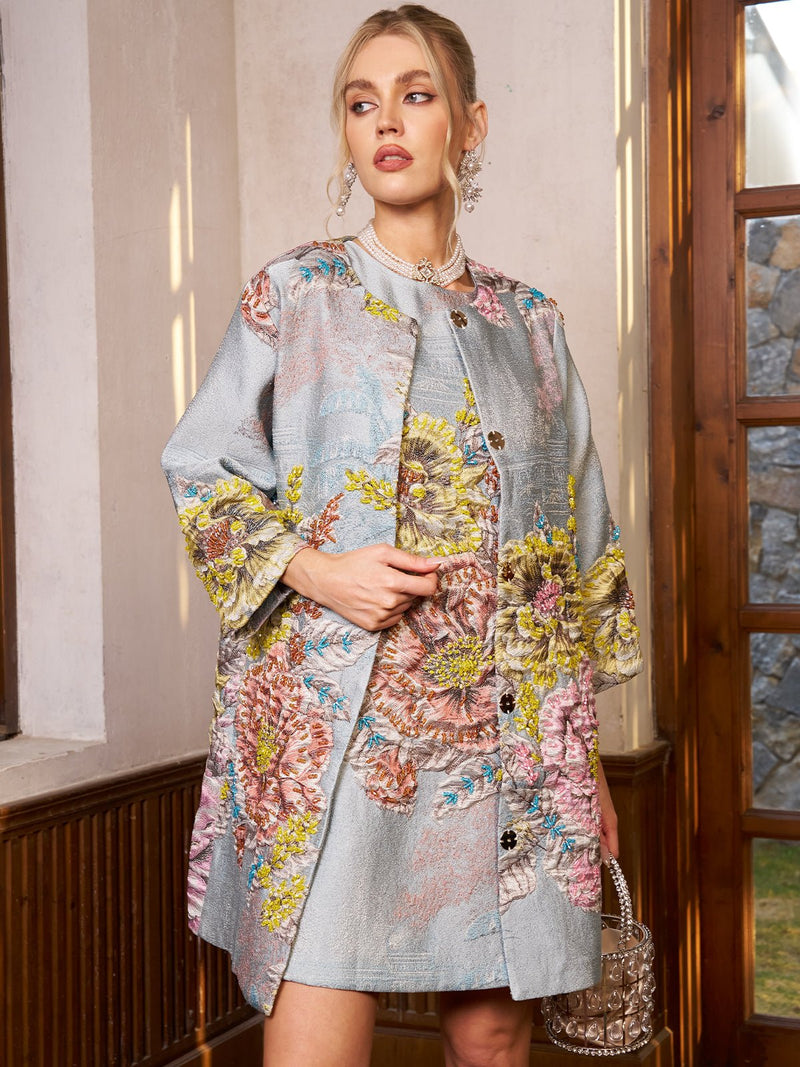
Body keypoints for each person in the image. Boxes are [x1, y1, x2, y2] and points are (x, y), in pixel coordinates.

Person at [161, 6, 643, 1065]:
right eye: (361, 101)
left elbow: (578, 546)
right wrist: (317, 570)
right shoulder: (295, 293)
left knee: (495, 1043)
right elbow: (201, 465)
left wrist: (589, 769)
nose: (385, 122)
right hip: (343, 747)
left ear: (469, 125)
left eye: (415, 96)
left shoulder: (531, 322)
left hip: (507, 754)